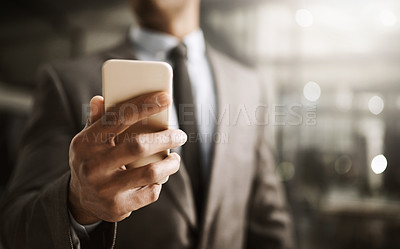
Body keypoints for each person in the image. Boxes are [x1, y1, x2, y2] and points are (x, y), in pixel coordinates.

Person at [0, 0, 294, 248]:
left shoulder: (249, 86)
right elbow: (15, 227)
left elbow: (267, 220)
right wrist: (78, 204)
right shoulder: (66, 82)